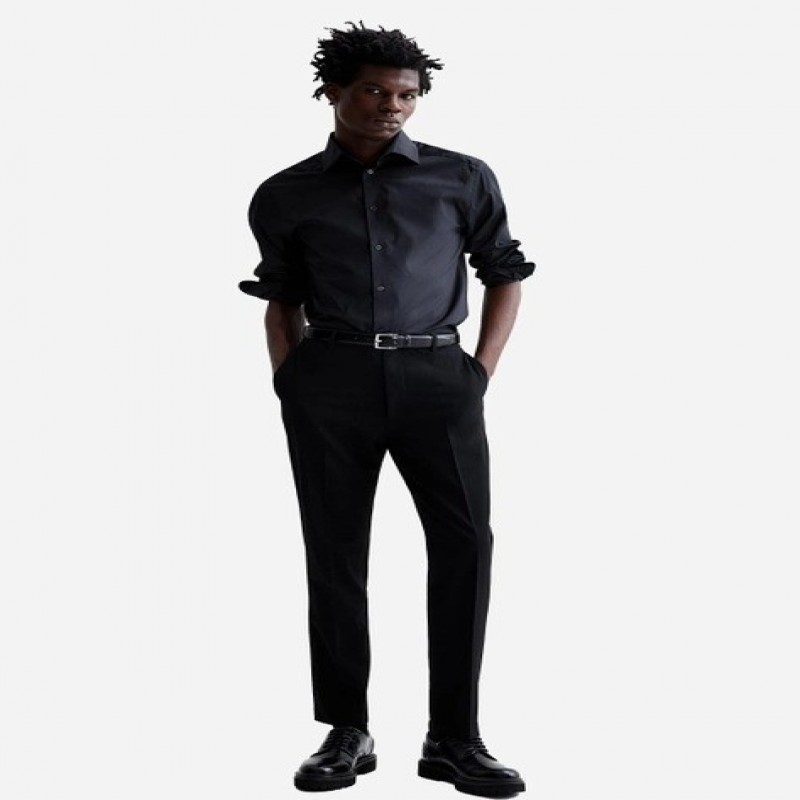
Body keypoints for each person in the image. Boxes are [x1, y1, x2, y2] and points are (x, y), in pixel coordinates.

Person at [238, 21, 534, 797]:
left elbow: (505, 271)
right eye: (373, 90)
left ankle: (455, 737)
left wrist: (478, 372)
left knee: (466, 546)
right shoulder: (286, 193)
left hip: (439, 377)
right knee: (335, 551)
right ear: (333, 91)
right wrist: (290, 381)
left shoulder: (462, 177)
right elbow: (280, 299)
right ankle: (347, 730)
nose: (390, 106)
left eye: (406, 95)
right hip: (330, 382)